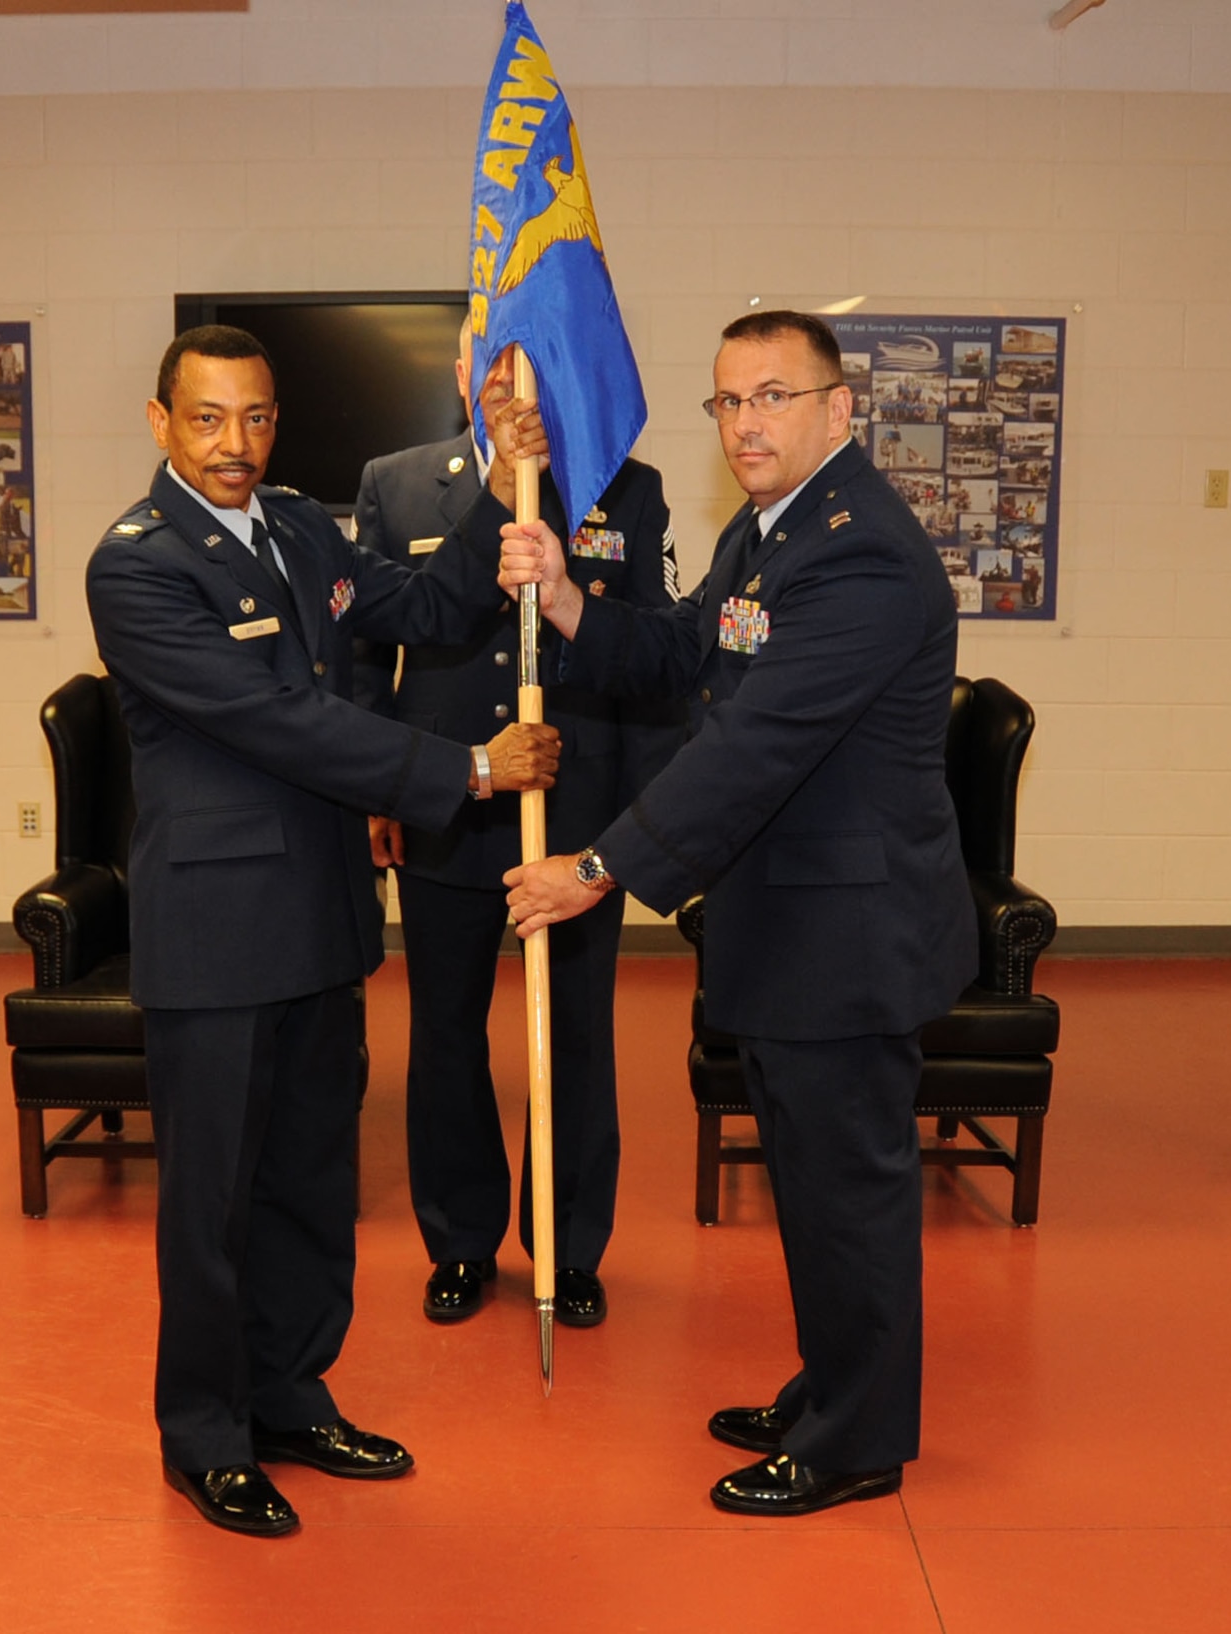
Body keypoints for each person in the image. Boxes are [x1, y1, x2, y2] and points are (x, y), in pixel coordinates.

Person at [85, 325, 559, 1539]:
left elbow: (424, 600)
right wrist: (461, 764)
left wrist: (501, 479)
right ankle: (205, 1432)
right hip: (216, 929)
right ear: (159, 423)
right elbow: (278, 718)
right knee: (212, 1203)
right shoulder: (136, 568)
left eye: (253, 418)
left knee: (309, 1180)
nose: (233, 444)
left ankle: (291, 1394)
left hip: (323, 913)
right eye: (205, 419)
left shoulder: (298, 524)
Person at [499, 310, 974, 1517]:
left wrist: (592, 870)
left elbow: (753, 749)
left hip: (845, 939)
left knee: (846, 1193)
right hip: (785, 927)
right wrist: (562, 596)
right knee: (811, 1189)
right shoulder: (769, 536)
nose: (747, 421)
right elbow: (681, 652)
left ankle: (856, 1437)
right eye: (728, 402)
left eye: (772, 395)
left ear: (837, 407)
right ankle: (829, 1386)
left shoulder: (859, 552)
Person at [353, 328, 681, 1329]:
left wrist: (630, 821)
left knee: (575, 1034)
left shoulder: (624, 486)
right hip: (446, 800)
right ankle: (457, 1240)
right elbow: (370, 646)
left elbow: (653, 661)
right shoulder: (397, 483)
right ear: (462, 374)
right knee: (444, 1033)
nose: (508, 379)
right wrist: (376, 787)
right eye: (489, 360)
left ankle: (570, 1244)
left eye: (527, 358)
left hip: (573, 812)